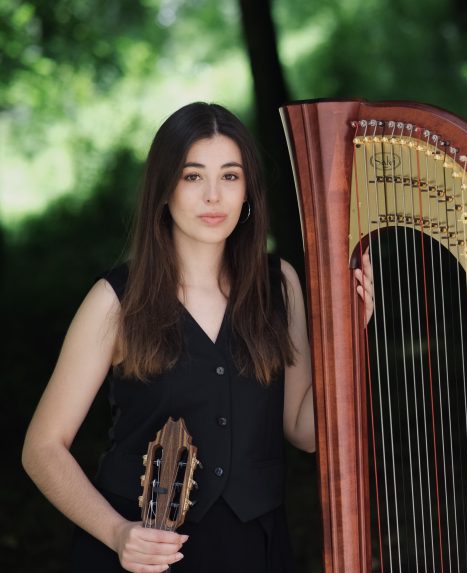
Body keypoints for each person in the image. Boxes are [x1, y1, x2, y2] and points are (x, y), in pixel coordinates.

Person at [21, 102, 373, 572]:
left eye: (230, 176)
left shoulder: (279, 285)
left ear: (248, 191)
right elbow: (43, 447)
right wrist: (117, 532)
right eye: (192, 177)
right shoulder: (115, 300)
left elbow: (305, 431)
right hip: (144, 556)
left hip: (255, 552)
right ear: (164, 189)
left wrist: (350, 335)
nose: (213, 196)